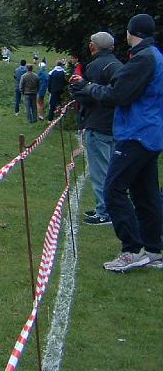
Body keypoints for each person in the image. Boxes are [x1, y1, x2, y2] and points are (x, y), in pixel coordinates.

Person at [71, 14, 162, 272]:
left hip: (136, 133)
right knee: (146, 193)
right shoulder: (154, 55)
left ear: (129, 33)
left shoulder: (143, 59)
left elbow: (118, 95)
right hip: (150, 132)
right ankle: (153, 250)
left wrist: (89, 89)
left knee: (113, 189)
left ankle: (132, 249)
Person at [75, 31, 122, 226]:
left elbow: (88, 94)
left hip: (97, 123)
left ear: (93, 46)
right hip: (114, 124)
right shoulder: (119, 65)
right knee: (111, 169)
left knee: (100, 171)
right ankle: (109, 208)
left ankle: (104, 211)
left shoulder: (96, 66)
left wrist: (78, 89)